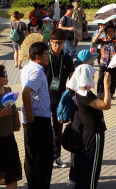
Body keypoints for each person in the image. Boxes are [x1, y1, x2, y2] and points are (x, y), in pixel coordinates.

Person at [68, 64, 111, 189]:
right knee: (92, 167)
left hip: (88, 133)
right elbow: (106, 105)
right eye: (91, 74)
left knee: (85, 166)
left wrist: (105, 86)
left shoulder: (82, 92)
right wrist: (107, 86)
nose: (93, 76)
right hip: (93, 133)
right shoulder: (85, 94)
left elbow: (99, 100)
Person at [20, 42, 54, 188]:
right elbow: (26, 91)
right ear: (38, 57)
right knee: (45, 156)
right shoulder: (38, 72)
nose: (48, 57)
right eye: (46, 55)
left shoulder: (26, 68)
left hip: (31, 118)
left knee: (31, 155)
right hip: (38, 118)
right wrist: (30, 115)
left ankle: (32, 185)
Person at [43, 29, 75, 169]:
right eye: (55, 42)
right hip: (44, 99)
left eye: (60, 43)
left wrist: (73, 93)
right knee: (45, 129)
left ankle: (57, 156)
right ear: (50, 42)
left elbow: (72, 78)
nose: (58, 45)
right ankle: (45, 156)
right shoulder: (44, 58)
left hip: (60, 100)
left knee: (58, 129)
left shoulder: (67, 58)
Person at [95, 24, 116, 97]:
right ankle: (100, 93)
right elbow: (94, 41)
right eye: (108, 31)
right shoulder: (103, 39)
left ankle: (111, 93)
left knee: (113, 79)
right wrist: (99, 33)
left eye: (111, 31)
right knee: (101, 78)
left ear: (114, 31)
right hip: (103, 62)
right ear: (106, 32)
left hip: (113, 63)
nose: (110, 32)